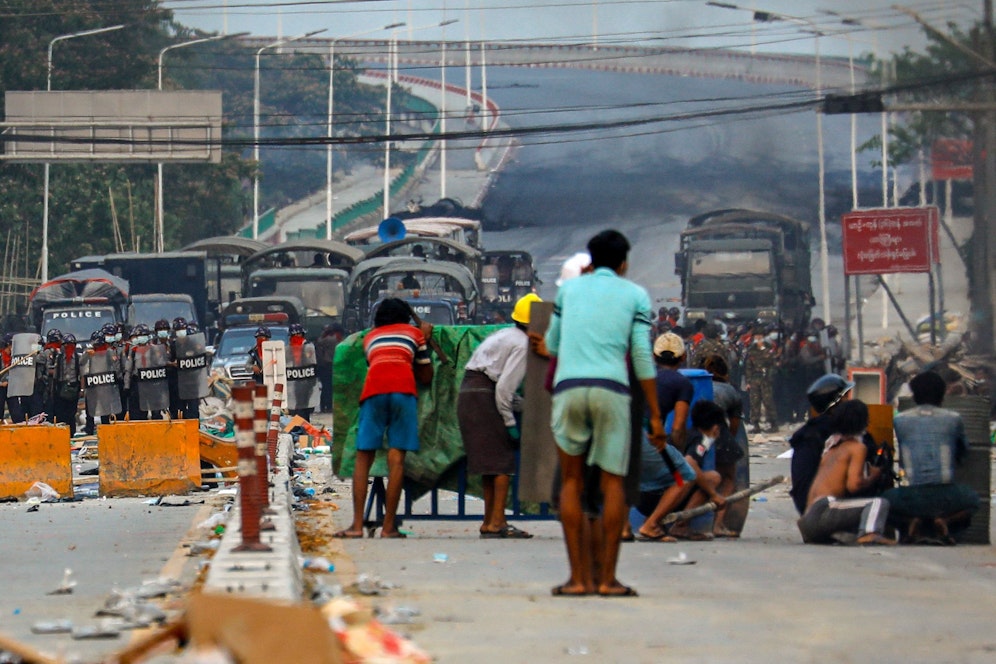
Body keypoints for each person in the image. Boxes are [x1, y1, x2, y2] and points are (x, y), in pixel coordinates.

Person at [544, 229, 665, 598]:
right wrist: (656, 416)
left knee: (571, 481)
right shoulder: (635, 295)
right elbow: (643, 358)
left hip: (569, 388)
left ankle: (578, 579)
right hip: (613, 389)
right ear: (624, 263)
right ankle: (608, 580)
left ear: (590, 261)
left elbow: (551, 344)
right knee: (612, 484)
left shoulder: (568, 292)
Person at [335, 298, 434, 539]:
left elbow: (375, 364)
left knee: (363, 458)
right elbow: (426, 376)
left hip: (373, 392)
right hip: (403, 392)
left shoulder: (370, 338)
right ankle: (389, 527)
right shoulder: (414, 334)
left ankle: (357, 525)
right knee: (396, 459)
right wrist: (426, 339)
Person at [458, 293, 541, 539]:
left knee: (489, 465)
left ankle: (489, 521)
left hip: (470, 393)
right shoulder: (523, 344)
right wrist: (510, 422)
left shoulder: (505, 334)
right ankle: (498, 522)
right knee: (503, 463)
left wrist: (523, 405)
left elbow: (501, 385)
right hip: (485, 397)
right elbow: (504, 389)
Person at [882, 371, 980, 544]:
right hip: (946, 497)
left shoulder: (900, 420)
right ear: (942, 395)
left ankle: (912, 521)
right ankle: (944, 522)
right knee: (973, 500)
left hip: (912, 496)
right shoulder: (954, 418)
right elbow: (963, 451)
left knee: (884, 501)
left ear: (914, 395)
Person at [797, 399, 896, 545]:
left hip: (806, 521)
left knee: (848, 508)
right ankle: (870, 533)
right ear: (864, 422)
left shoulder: (831, 445)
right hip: (823, 511)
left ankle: (844, 534)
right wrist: (873, 476)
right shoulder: (857, 447)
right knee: (878, 503)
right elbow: (853, 485)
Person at [634, 400, 727, 541]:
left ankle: (652, 520)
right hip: (656, 495)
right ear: (715, 428)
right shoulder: (702, 440)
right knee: (712, 478)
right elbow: (690, 464)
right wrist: (714, 494)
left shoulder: (687, 436)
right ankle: (680, 525)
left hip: (643, 494)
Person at [788, 374, 855, 515]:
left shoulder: (808, 431)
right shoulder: (839, 432)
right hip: (823, 508)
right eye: (845, 397)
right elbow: (856, 482)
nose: (850, 401)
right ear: (836, 403)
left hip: (806, 509)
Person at [652, 332, 693, 452]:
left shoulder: (638, 376)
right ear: (683, 357)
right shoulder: (682, 383)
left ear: (654, 356)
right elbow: (678, 429)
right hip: (649, 443)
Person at [743, 329, 780, 432]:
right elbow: (748, 367)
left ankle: (773, 423)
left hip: (765, 379)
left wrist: (770, 377)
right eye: (756, 337)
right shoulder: (751, 350)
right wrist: (748, 381)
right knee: (755, 402)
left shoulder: (769, 348)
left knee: (768, 401)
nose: (758, 339)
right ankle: (755, 424)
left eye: (760, 336)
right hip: (755, 379)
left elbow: (772, 364)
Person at [285, 322, 319, 421]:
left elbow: (312, 363)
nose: (296, 337)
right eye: (294, 335)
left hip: (307, 381)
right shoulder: (289, 348)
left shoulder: (308, 347)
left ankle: (302, 429)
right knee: (296, 408)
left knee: (304, 408)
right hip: (294, 381)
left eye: (298, 335)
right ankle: (300, 429)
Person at [315, 324, 344, 413]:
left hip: (325, 366)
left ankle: (324, 406)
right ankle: (329, 406)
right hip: (331, 366)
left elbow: (319, 342)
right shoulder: (335, 340)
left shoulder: (326, 340)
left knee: (326, 387)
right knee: (330, 387)